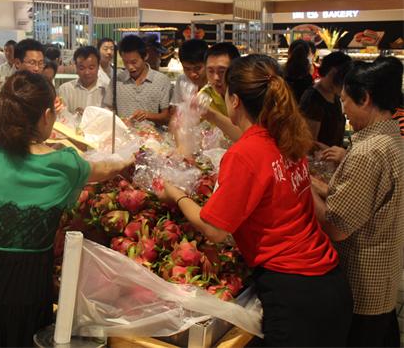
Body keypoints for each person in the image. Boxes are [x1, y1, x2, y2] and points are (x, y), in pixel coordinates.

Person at [157, 54, 352, 346]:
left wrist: (176, 194)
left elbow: (215, 230)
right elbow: (247, 138)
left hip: (292, 293)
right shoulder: (286, 135)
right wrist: (210, 115)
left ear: (234, 100)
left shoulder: (245, 154)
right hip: (330, 282)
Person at [0, 71, 132, 347]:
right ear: (46, 115)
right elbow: (103, 169)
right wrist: (126, 159)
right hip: (25, 294)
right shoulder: (65, 163)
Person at [311, 58, 404, 347]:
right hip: (384, 279)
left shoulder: (367, 152)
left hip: (360, 287)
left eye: (346, 101)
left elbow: (337, 226)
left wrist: (301, 187)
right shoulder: (393, 140)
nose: (344, 111)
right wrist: (315, 183)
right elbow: (362, 202)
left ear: (364, 98)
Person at [102, 34, 172, 124]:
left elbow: (166, 117)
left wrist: (148, 115)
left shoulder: (161, 80)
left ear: (145, 56)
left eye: (134, 62)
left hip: (152, 136)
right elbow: (108, 108)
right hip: (123, 135)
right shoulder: (117, 80)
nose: (130, 67)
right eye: (125, 62)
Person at [299, 52, 352, 148]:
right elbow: (309, 141)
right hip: (319, 160)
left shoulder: (334, 95)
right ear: (333, 72)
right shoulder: (313, 99)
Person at [57, 46, 106, 115]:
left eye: (91, 68)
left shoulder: (106, 90)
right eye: (82, 68)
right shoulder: (65, 89)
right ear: (76, 67)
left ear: (98, 66)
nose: (87, 72)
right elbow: (61, 117)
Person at [200, 42, 241, 117]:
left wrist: (212, 115)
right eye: (211, 71)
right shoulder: (204, 96)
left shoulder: (246, 94)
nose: (216, 78)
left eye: (222, 71)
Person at [171, 39, 209, 107]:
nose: (192, 74)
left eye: (197, 68)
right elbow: (175, 106)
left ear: (207, 62)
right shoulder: (182, 80)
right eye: (187, 69)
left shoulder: (215, 84)